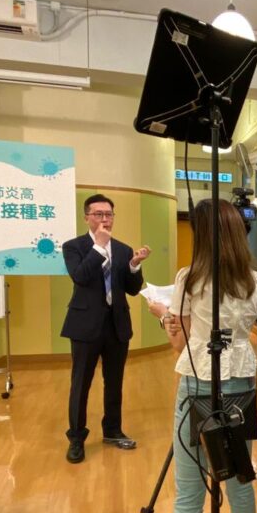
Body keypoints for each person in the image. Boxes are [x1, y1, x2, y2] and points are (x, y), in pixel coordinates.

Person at [149, 199, 257, 513]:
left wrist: (164, 318)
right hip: (242, 392)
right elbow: (244, 332)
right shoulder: (256, 281)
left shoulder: (189, 278)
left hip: (197, 391)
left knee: (189, 495)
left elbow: (181, 345)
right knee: (240, 486)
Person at [61, 193, 150, 464]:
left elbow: (132, 290)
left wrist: (134, 265)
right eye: (98, 214)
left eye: (108, 214)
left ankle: (112, 430)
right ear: (86, 217)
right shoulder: (73, 246)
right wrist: (99, 246)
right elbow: (80, 277)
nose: (104, 219)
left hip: (116, 325)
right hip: (84, 326)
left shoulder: (123, 249)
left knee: (114, 382)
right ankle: (77, 438)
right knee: (81, 384)